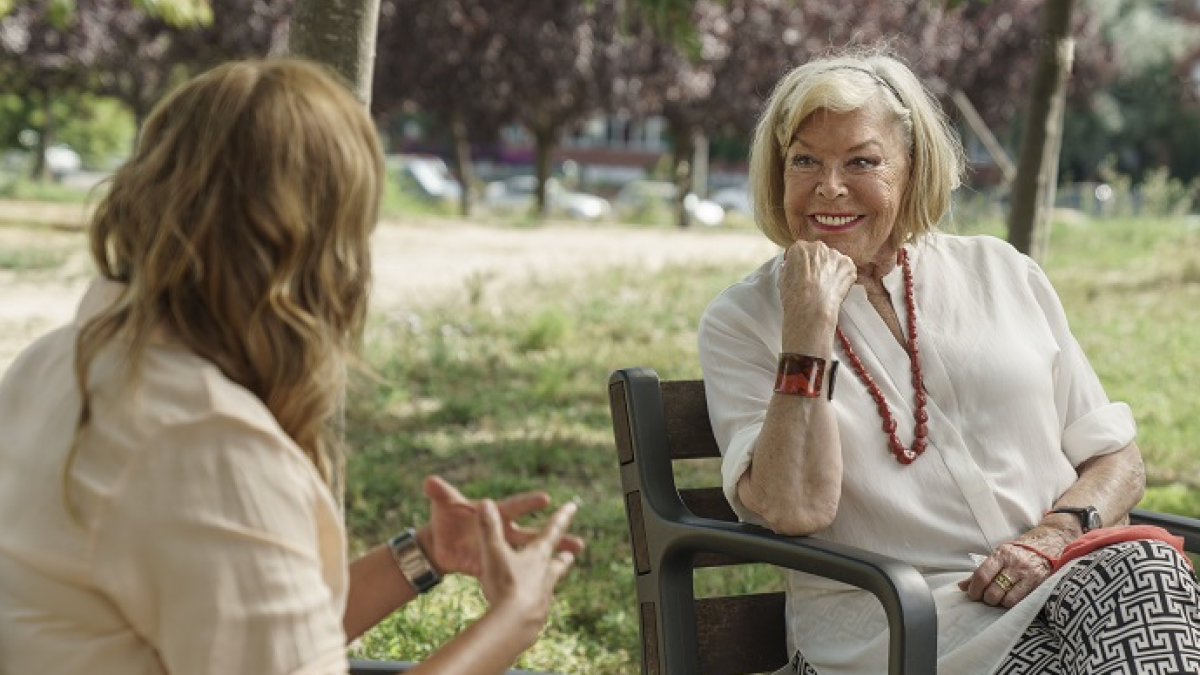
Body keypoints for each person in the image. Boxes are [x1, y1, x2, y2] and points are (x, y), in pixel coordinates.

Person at [0, 58, 583, 675]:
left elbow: (252, 638)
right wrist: (509, 622)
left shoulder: (56, 362)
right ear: (322, 249)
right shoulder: (206, 440)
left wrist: (425, 554)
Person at [697, 48, 1200, 674]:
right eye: (805, 161)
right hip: (901, 628)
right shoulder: (743, 320)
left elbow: (1115, 458)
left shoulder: (1002, 271)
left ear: (912, 169)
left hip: (1063, 581)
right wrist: (807, 329)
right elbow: (795, 508)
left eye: (862, 161)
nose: (830, 187)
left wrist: (1054, 535)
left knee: (1145, 563)